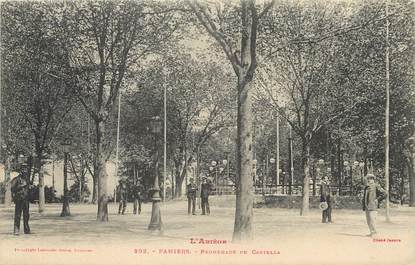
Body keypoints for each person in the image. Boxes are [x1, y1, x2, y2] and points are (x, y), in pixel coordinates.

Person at [10, 165, 32, 235]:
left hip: (26, 199)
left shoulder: (26, 179)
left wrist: (30, 188)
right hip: (19, 199)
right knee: (18, 215)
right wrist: (22, 186)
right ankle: (16, 230)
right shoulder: (15, 179)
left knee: (26, 215)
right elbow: (12, 189)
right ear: (21, 171)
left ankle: (26, 230)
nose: (25, 171)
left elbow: (27, 189)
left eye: (26, 170)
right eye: (24, 170)